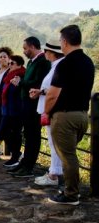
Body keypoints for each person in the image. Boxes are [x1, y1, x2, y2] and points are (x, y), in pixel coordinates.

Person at [45, 25, 95, 205]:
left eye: (60, 41)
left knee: (68, 157)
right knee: (70, 154)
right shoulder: (88, 62)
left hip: (65, 116)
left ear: (65, 42)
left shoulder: (65, 63)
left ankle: (71, 194)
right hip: (82, 115)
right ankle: (71, 188)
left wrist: (46, 111)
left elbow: (52, 94)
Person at [8, 36, 51, 177]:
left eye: (25, 48)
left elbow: (38, 83)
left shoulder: (43, 62)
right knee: (28, 134)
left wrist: (20, 83)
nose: (24, 51)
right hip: (26, 104)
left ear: (32, 47)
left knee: (33, 135)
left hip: (34, 105)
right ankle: (25, 162)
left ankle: (29, 166)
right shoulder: (32, 62)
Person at [29, 41, 64, 186]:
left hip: (52, 110)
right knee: (53, 142)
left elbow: (55, 89)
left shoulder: (59, 66)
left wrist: (41, 92)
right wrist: (40, 92)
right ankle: (53, 172)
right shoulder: (55, 66)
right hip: (48, 108)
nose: (45, 53)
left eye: (46, 51)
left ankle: (54, 175)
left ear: (52, 53)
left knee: (54, 143)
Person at [0, 54, 26, 163]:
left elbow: (20, 89)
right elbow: (1, 88)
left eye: (12, 63)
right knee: (2, 130)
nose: (9, 64)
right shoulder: (9, 75)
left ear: (19, 65)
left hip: (16, 110)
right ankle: (10, 153)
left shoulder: (20, 75)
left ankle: (15, 155)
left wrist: (20, 81)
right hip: (6, 108)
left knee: (14, 133)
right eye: (10, 63)